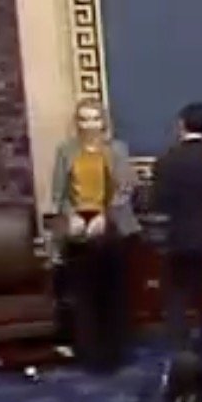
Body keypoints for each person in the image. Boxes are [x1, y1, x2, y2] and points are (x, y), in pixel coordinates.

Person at [47, 95, 138, 372]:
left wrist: (104, 215)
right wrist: (72, 215)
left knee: (111, 290)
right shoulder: (66, 150)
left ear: (104, 122)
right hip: (77, 225)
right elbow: (59, 194)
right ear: (77, 123)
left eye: (95, 119)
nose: (90, 125)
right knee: (83, 292)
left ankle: (114, 352)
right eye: (84, 119)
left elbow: (125, 189)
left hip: (110, 222)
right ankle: (88, 352)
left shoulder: (117, 149)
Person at [147, 101, 202, 355]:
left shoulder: (167, 159)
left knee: (176, 294)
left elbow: (157, 201)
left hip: (178, 236)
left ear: (181, 125)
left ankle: (179, 348)